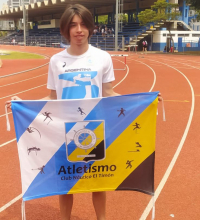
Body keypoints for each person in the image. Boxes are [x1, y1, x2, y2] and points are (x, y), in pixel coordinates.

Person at [6, 4, 162, 220]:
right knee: (65, 183)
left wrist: (144, 102)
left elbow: (108, 93)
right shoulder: (56, 61)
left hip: (94, 127)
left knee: (98, 182)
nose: (78, 30)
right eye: (73, 25)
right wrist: (22, 103)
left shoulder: (102, 58)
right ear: (66, 29)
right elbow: (52, 97)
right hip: (63, 129)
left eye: (82, 25)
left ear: (90, 28)